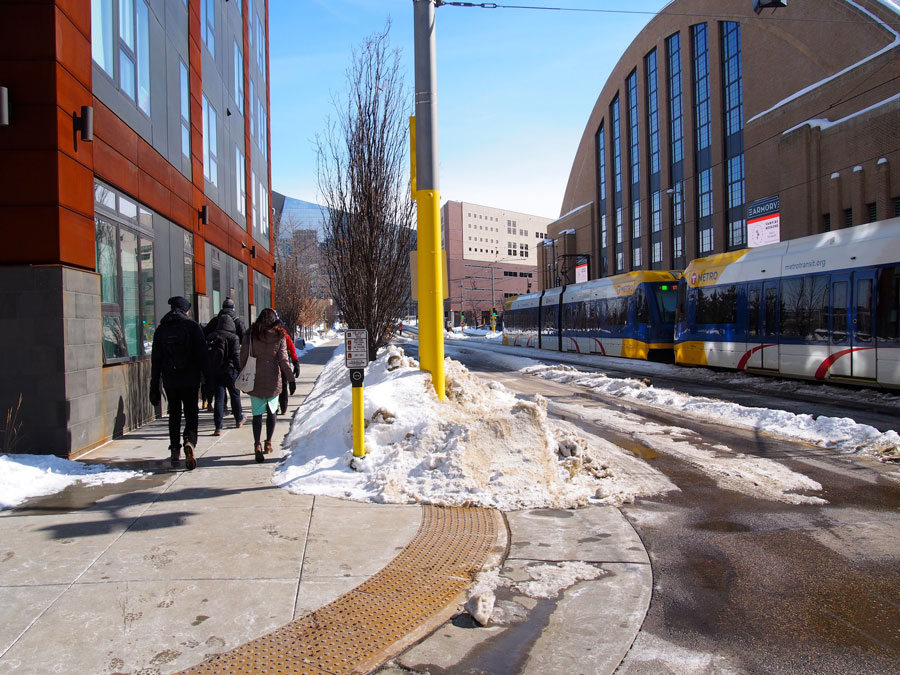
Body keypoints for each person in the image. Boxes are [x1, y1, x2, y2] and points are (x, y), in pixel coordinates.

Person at [149, 296, 209, 470]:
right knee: (191, 413)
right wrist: (208, 381)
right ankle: (189, 441)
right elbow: (203, 356)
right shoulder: (192, 327)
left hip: (170, 380)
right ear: (185, 310)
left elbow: (156, 360)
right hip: (190, 380)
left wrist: (155, 386)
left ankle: (175, 448)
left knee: (174, 414)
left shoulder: (161, 329)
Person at [239, 308, 295, 463]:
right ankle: (268, 443)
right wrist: (290, 379)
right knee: (272, 412)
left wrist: (242, 373)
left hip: (255, 378)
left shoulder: (251, 334)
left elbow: (243, 356)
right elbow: (283, 360)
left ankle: (256, 444)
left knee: (257, 414)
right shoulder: (279, 335)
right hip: (272, 379)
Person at [206, 314, 245, 435]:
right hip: (231, 370)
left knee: (219, 398)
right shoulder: (233, 337)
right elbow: (236, 356)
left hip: (216, 371)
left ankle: (218, 426)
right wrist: (240, 370)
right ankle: (238, 419)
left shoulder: (212, 336)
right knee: (235, 395)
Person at [276, 318, 300, 415]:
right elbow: (292, 350)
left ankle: (275, 407)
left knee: (275, 387)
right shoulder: (286, 336)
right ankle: (283, 407)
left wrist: (295, 362)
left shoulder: (270, 336)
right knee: (283, 387)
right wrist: (295, 362)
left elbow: (291, 350)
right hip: (283, 366)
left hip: (274, 367)